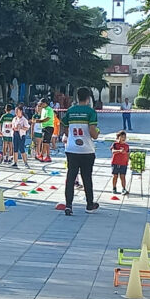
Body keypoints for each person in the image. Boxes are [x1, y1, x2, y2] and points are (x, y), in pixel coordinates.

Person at [61, 87, 100, 216]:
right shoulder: (91, 112)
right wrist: (97, 134)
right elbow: (93, 132)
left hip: (72, 149)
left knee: (71, 177)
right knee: (86, 177)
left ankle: (68, 205)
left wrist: (72, 137)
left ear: (77, 97)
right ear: (88, 98)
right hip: (86, 150)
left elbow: (65, 129)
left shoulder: (70, 111)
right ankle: (89, 204)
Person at [110, 130, 130, 195]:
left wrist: (127, 159)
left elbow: (128, 153)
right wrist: (119, 151)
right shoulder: (115, 144)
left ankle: (124, 188)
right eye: (122, 137)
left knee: (122, 176)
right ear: (118, 137)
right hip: (115, 162)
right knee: (115, 176)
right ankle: (114, 188)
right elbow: (113, 151)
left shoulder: (126, 146)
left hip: (123, 163)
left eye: (124, 137)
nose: (123, 138)